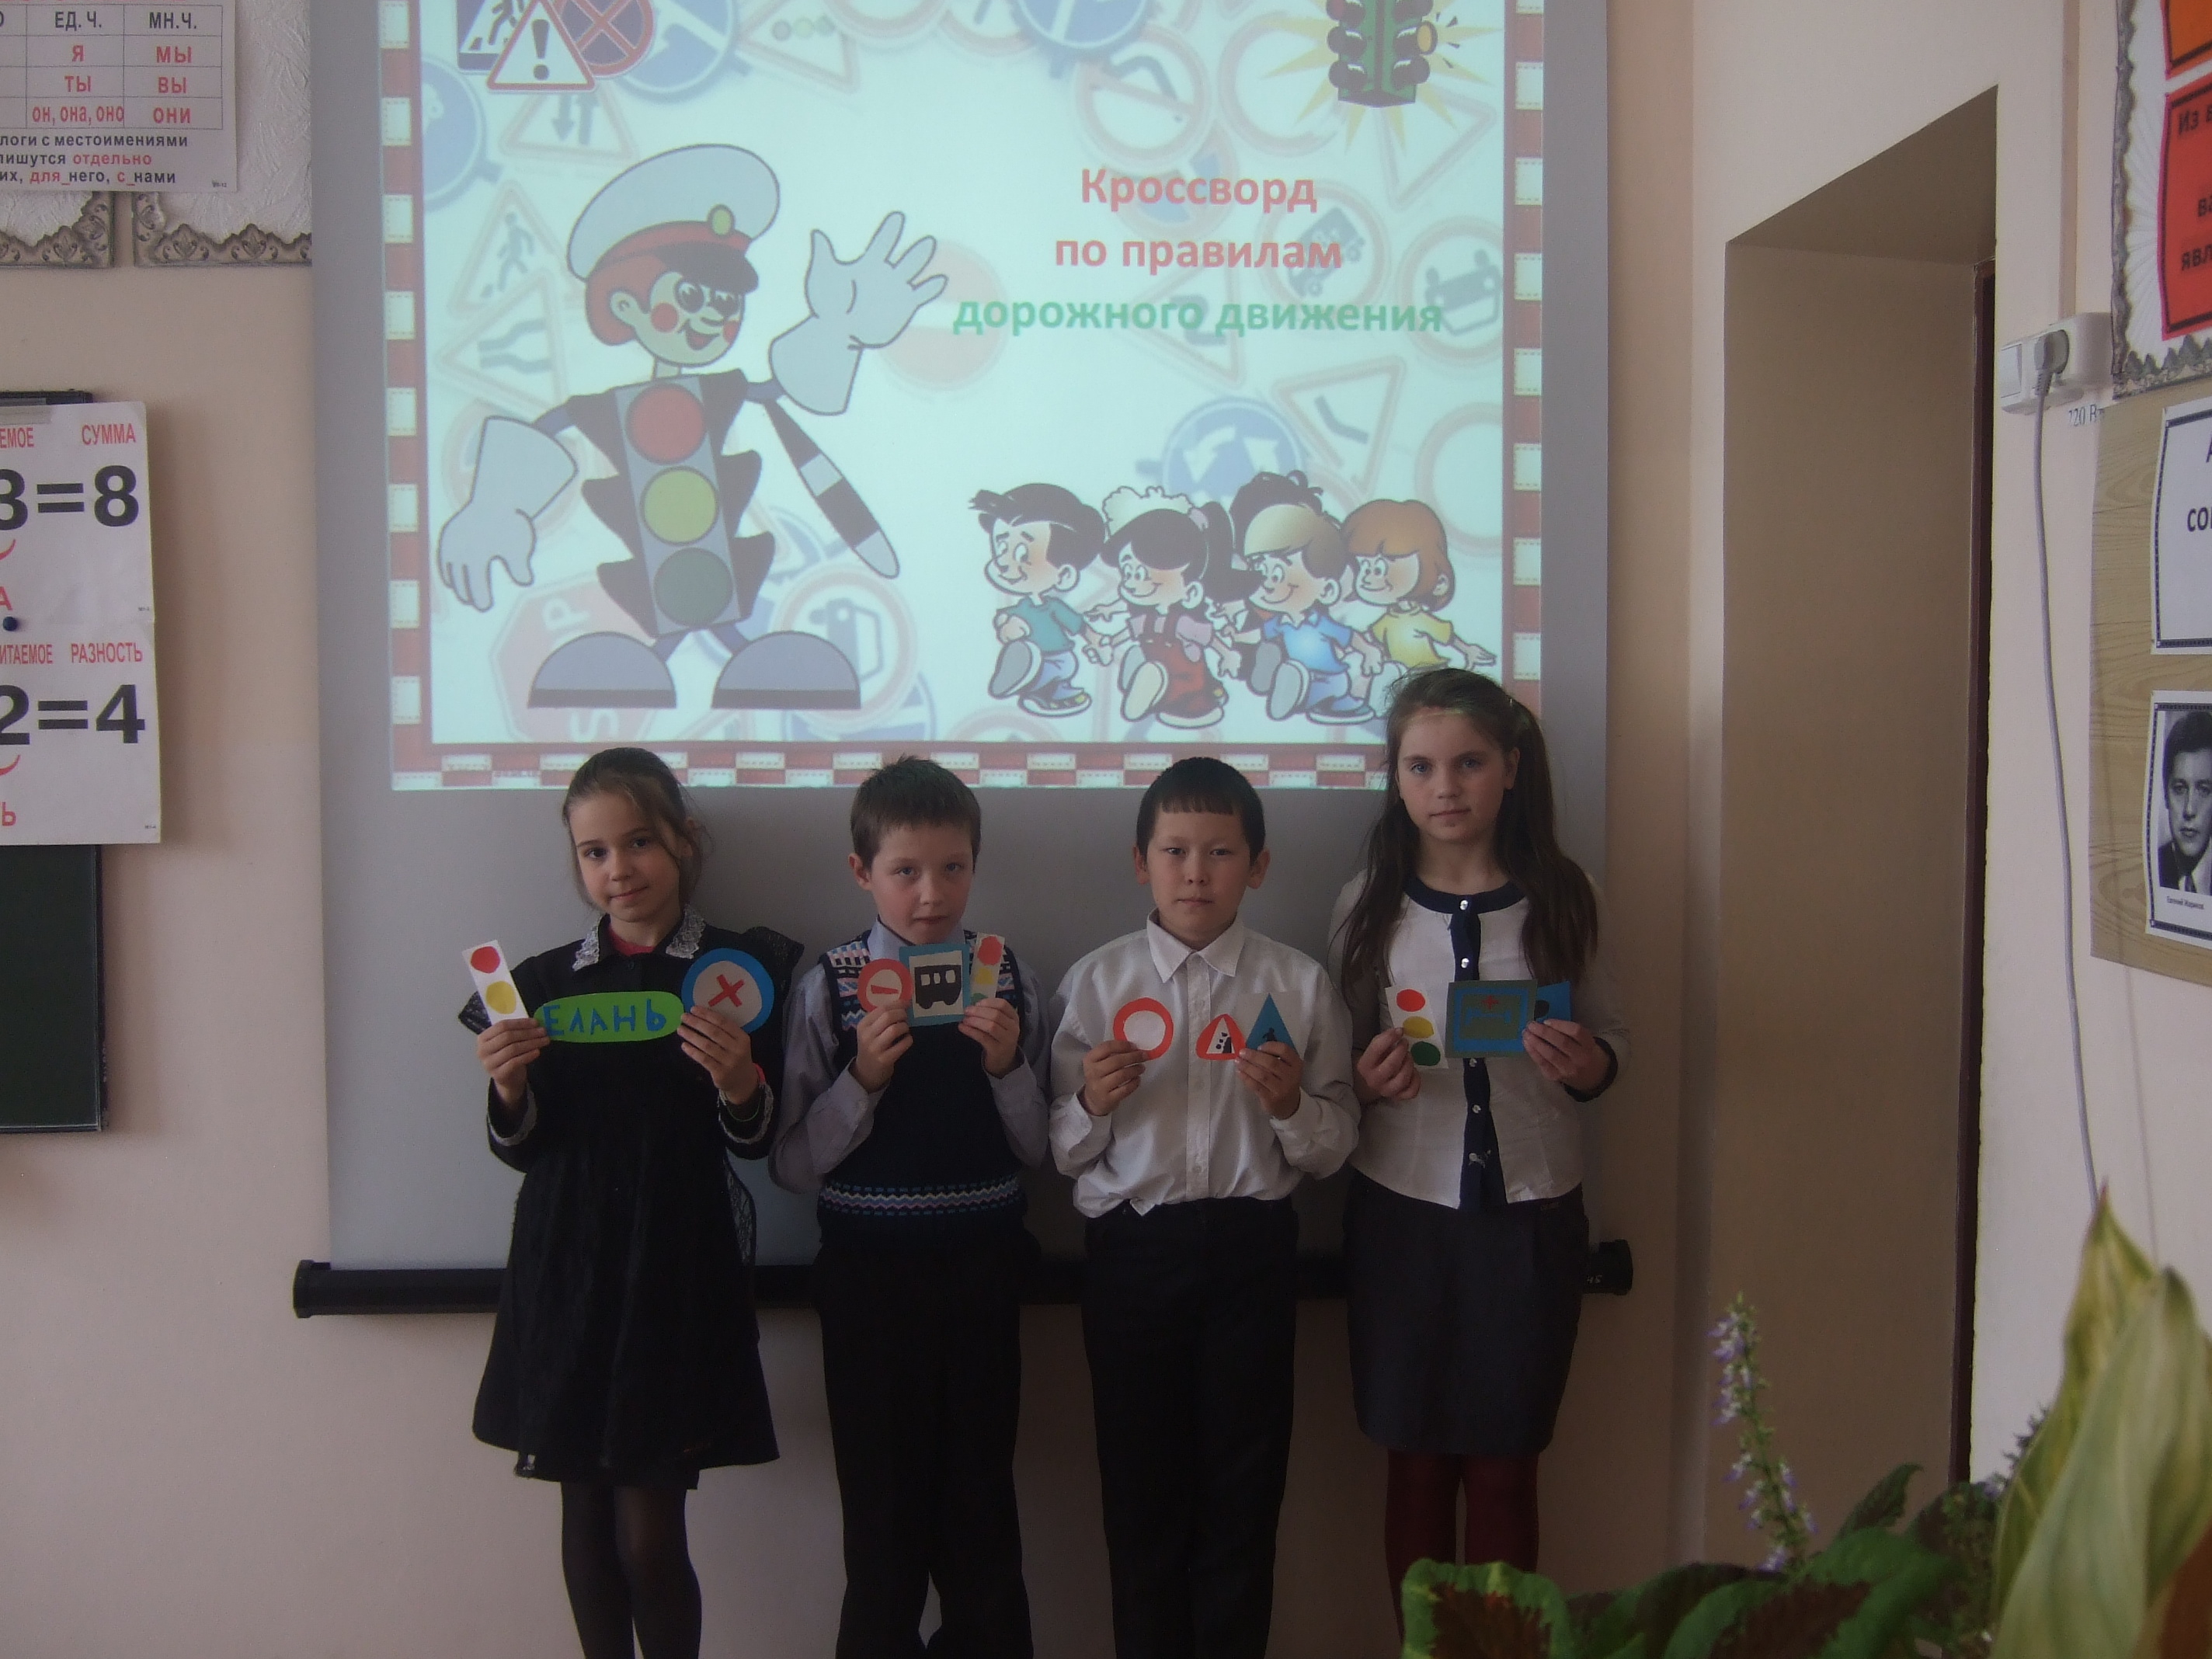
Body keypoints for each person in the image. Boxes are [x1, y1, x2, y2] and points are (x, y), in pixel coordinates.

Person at [466, 747, 801, 1659]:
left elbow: (756, 1142)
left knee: (650, 1537)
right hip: (566, 1264)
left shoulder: (742, 970)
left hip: (675, 1265)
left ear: (684, 841)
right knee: (583, 1515)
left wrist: (741, 1084)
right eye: (594, 852)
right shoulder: (538, 985)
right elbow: (522, 1147)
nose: (619, 869)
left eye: (639, 842)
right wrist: (507, 1090)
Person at [1328, 669, 1629, 1620]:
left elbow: (1612, 1039)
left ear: (1511, 768)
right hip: (1403, 1216)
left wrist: (1588, 1064)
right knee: (1415, 1467)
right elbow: (1337, 1067)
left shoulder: (1564, 896)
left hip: (1529, 1217)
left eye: (1467, 763)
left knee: (1504, 1469)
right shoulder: (1367, 903)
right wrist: (1366, 1082)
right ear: (1395, 778)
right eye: (1420, 767)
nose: (1444, 787)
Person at [1049, 757, 1358, 1659]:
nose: (1195, 873)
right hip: (1133, 1258)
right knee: (1139, 1500)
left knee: (1243, 1500)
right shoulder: (1096, 984)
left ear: (1257, 867)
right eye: (1175, 851)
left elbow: (1334, 1146)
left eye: (1220, 853)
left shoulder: (1298, 986)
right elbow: (1060, 1150)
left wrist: (1290, 1106)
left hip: (1251, 1255)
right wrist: (1093, 1102)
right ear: (1139, 862)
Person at [774, 756, 1049, 1659]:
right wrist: (863, 1079)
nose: (931, 894)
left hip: (982, 1276)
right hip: (869, 1284)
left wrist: (1005, 1068)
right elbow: (792, 1164)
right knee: (883, 1527)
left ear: (975, 865)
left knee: (981, 1520)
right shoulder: (831, 984)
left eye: (952, 868)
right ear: (863, 872)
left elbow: (1038, 1149)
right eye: (905, 870)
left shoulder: (1007, 977)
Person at [1343, 497, 1498, 706]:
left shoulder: (1421, 619)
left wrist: (1468, 650)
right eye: (1363, 566)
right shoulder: (1387, 620)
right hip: (1398, 676)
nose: (1368, 577)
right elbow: (1372, 637)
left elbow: (1448, 637)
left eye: (1380, 568)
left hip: (1427, 679)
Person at [976, 482, 1108, 717]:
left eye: (1022, 553)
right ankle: (1037, 685)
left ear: (1064, 575)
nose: (1003, 562)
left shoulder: (1055, 607)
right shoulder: (1021, 609)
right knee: (1036, 665)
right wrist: (1007, 628)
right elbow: (1005, 623)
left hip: (1061, 659)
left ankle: (1033, 684)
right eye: (1002, 548)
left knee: (1050, 670)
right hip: (1037, 659)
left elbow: (1079, 626)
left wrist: (1097, 641)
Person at [2157, 709, 2212, 893]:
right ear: (2166, 794)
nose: (2189, 810)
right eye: (2180, 789)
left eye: (2204, 790)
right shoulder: (2153, 864)